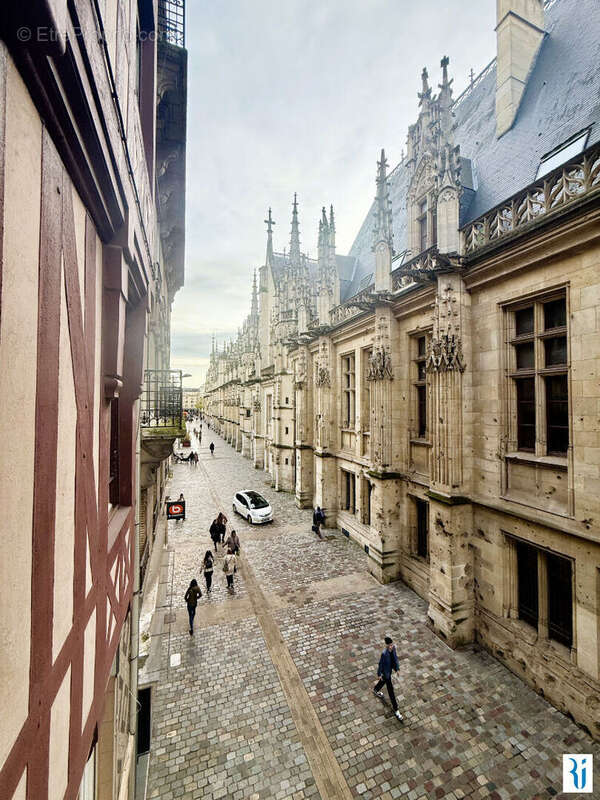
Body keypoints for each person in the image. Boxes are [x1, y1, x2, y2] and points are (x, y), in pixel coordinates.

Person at [373, 636, 403, 721]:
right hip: (386, 673)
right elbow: (380, 664)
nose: (391, 646)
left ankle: (376, 689)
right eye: (389, 645)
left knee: (383, 681)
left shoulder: (393, 649)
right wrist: (379, 674)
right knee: (391, 691)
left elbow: (395, 658)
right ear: (386, 646)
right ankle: (396, 710)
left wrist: (397, 669)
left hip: (389, 671)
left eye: (392, 644)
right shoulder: (384, 654)